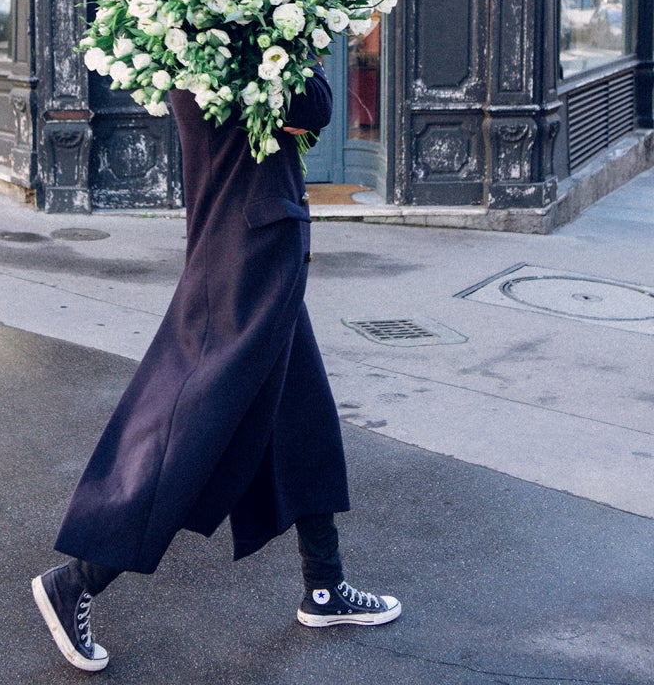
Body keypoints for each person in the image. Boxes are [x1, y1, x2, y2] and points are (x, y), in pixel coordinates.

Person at [32, 60, 401, 672]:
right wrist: (296, 42)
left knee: (301, 413)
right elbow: (311, 108)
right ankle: (78, 579)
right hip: (249, 254)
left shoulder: (198, 30)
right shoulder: (234, 27)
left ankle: (325, 586)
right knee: (193, 429)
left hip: (247, 242)